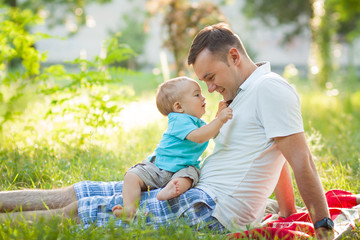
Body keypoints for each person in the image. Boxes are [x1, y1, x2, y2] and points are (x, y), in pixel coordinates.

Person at [0, 23, 333, 239]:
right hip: (190, 190)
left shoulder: (271, 90)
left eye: (211, 77)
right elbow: (276, 155)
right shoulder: (244, 94)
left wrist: (322, 225)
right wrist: (288, 212)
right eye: (205, 82)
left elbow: (300, 160)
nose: (211, 88)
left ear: (234, 56)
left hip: (209, 209)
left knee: (78, 213)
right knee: (76, 193)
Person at [112, 76, 233, 220]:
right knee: (132, 176)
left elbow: (210, 131)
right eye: (197, 95)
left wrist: (218, 116)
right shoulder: (178, 120)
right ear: (179, 107)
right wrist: (219, 119)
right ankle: (130, 209)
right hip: (159, 168)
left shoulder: (197, 122)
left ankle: (170, 189)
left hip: (183, 168)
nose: (203, 97)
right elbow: (200, 136)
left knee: (188, 178)